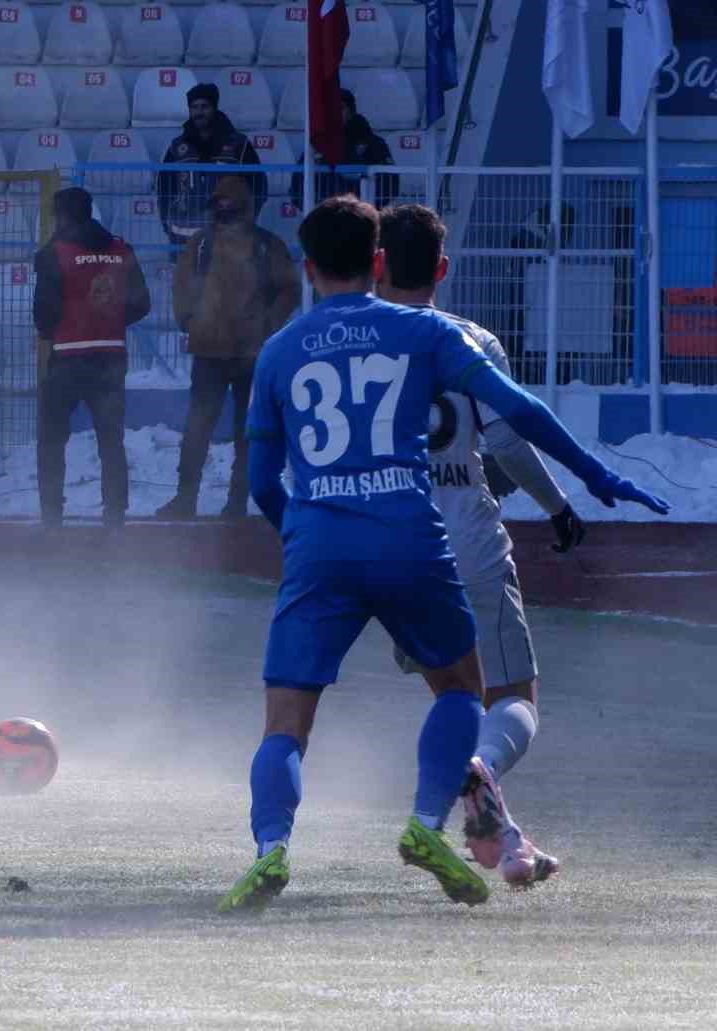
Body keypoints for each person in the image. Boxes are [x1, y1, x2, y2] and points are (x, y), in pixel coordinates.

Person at [217, 195, 668, 913]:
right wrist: (594, 475)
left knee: (285, 723)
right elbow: (516, 412)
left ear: (306, 268)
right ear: (375, 262)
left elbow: (262, 480)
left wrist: (301, 532)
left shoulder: (278, 352)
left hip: (321, 544)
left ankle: (271, 848)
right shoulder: (425, 332)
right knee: (467, 689)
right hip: (414, 538)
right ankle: (428, 823)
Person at [376, 204, 581, 888]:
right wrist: (558, 506)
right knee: (513, 699)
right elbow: (506, 441)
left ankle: (507, 843)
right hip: (465, 540)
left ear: (378, 265)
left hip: (391, 547)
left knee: (456, 697)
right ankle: (485, 775)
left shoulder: (356, 343)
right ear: (441, 268)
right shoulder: (472, 341)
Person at [156, 175, 298, 520]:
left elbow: (288, 291)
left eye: (228, 203)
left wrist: (266, 325)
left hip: (248, 355)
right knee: (200, 429)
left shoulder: (267, 246)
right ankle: (188, 498)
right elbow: (181, 287)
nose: (223, 209)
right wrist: (189, 320)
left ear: (246, 207)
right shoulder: (201, 246)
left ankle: (233, 502)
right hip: (211, 352)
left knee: (242, 434)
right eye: (218, 203)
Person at [32, 186, 150, 529]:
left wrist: (56, 331)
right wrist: (111, 320)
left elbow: (43, 311)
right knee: (111, 441)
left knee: (52, 440)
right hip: (110, 357)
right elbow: (142, 303)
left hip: (67, 358)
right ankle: (115, 514)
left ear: (63, 215)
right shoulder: (121, 249)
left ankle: (52, 515)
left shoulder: (54, 253)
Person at [156, 82, 267, 245]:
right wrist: (168, 226)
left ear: (214, 108)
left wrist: (246, 223)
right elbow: (164, 191)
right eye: (194, 107)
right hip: (184, 241)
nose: (199, 112)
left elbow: (259, 186)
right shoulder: (177, 148)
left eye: (204, 106)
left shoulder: (239, 145)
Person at [291, 90, 398, 210]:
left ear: (351, 111)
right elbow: (298, 186)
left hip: (362, 218)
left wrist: (367, 210)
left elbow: (390, 183)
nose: (334, 112)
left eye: (340, 107)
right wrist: (319, 211)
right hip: (327, 217)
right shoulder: (318, 144)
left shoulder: (374, 144)